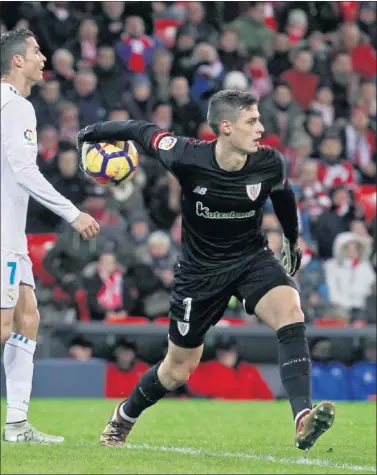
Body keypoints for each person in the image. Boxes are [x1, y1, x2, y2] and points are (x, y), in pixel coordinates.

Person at [78, 89, 335, 452]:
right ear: (226, 127)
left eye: (259, 119)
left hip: (251, 259)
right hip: (199, 274)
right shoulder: (185, 155)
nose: (261, 128)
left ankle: (302, 417)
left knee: (292, 314)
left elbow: (283, 195)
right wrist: (92, 132)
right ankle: (123, 418)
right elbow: (139, 129)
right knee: (177, 370)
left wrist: (292, 241)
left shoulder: (269, 162)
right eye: (252, 121)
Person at [0, 28, 100, 443]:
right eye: (37, 51)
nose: (44, 57)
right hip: (2, 233)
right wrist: (73, 213)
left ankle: (17, 424)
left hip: (13, 233)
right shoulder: (15, 106)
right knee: (5, 325)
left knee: (28, 318)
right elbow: (24, 171)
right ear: (17, 61)